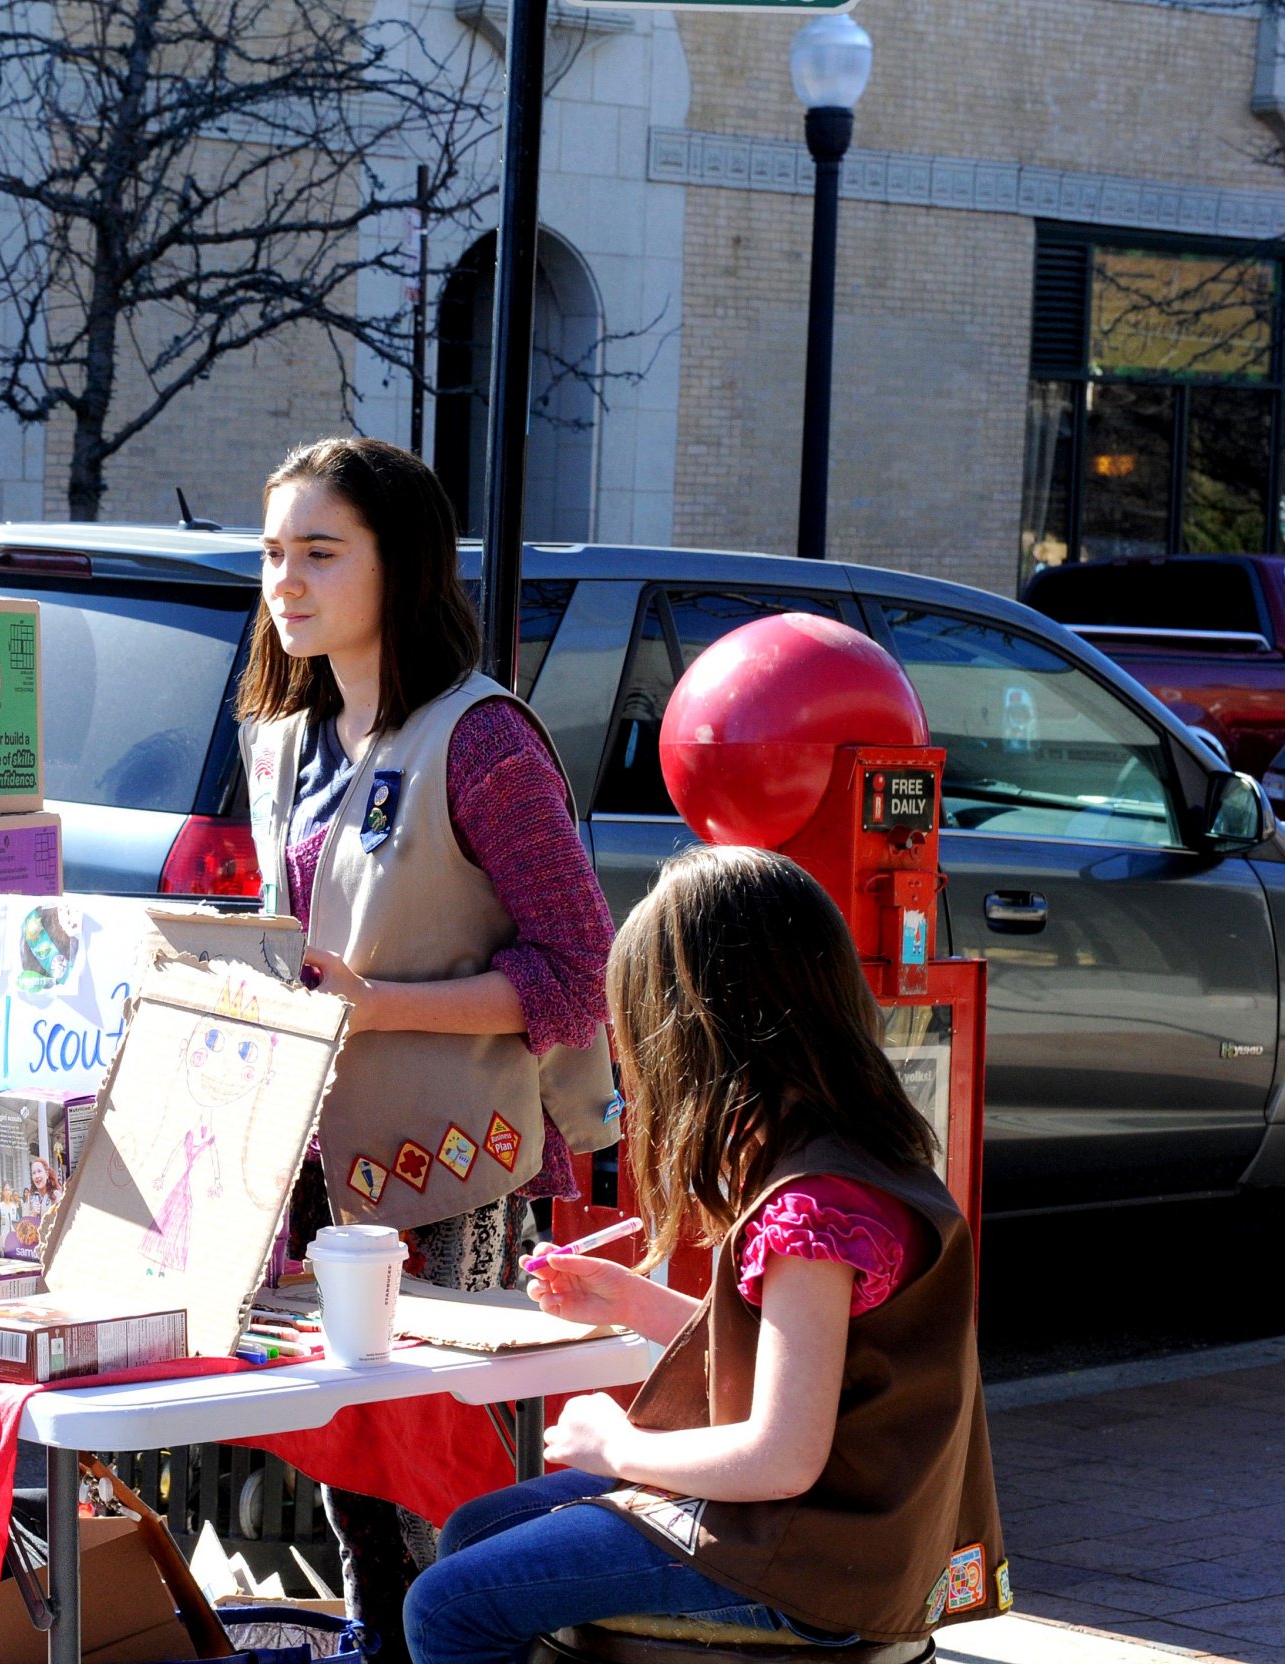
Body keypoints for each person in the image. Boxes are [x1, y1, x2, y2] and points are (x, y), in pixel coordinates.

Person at [404, 846, 1005, 1663]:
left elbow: (780, 1458)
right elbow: (815, 1359)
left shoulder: (809, 1209)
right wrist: (635, 1303)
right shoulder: (861, 1161)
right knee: (480, 1530)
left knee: (449, 1605)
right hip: (855, 1538)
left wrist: (616, 1446)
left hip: (809, 1563)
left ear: (696, 1034)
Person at [237, 436, 620, 1661]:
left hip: (454, 1162)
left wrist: (376, 1001)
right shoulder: (283, 736)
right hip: (307, 1154)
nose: (284, 582)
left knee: (446, 1476)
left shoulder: (483, 738)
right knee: (351, 1451)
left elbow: (580, 971)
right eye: (272, 553)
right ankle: (375, 1642)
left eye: (317, 553)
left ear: (397, 565)